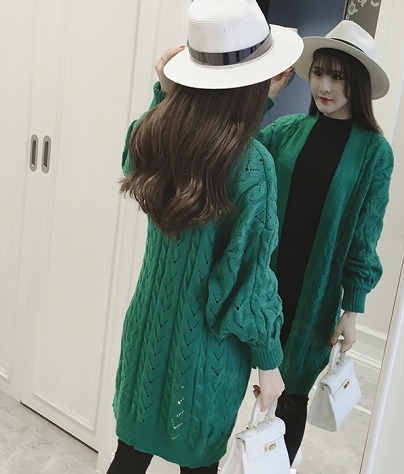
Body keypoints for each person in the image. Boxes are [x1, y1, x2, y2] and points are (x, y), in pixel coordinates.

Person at [106, 1, 303, 473]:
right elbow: (247, 281)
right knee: (198, 467)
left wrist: (165, 94)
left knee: (128, 458)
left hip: (147, 336)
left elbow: (151, 156)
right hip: (205, 357)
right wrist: (269, 362)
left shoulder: (154, 133)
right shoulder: (254, 165)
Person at [257, 19, 394, 466]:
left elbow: (365, 235)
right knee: (238, 382)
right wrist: (265, 97)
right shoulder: (287, 130)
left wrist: (352, 311)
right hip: (262, 283)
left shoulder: (374, 152)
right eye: (318, 73)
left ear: (357, 85)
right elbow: (236, 150)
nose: (324, 86)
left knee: (291, 395)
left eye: (338, 76)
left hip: (312, 295)